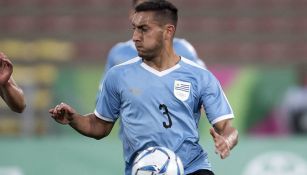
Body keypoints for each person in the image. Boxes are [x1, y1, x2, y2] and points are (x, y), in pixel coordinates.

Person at [49, 1, 238, 175]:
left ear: (168, 31)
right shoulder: (118, 75)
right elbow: (99, 126)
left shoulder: (200, 76)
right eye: (134, 29)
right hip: (143, 169)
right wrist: (74, 119)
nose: (135, 37)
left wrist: (226, 141)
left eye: (143, 29)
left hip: (192, 168)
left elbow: (227, 128)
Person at [103, 0, 205, 73]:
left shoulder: (183, 49)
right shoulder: (119, 53)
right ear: (132, 15)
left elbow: (206, 90)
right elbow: (105, 98)